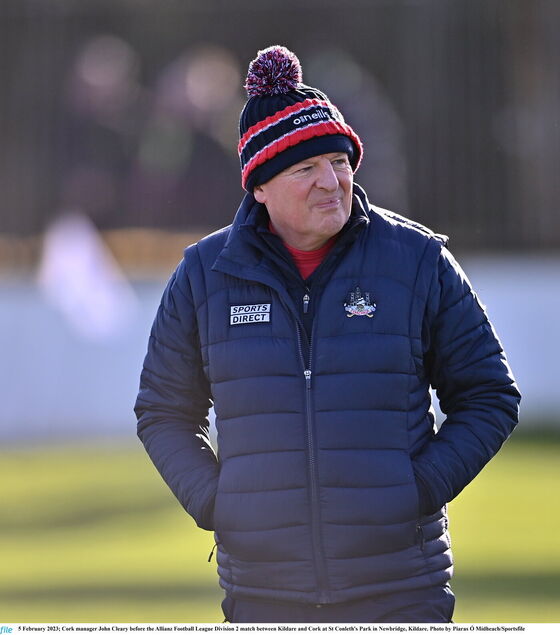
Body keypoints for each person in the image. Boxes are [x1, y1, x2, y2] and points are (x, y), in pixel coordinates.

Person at [135, 45, 520, 624]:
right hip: (264, 596)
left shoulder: (418, 261)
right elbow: (162, 410)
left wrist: (415, 491)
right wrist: (219, 503)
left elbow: (490, 396)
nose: (330, 182)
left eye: (339, 162)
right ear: (259, 187)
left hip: (401, 591)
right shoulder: (202, 275)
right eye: (304, 168)